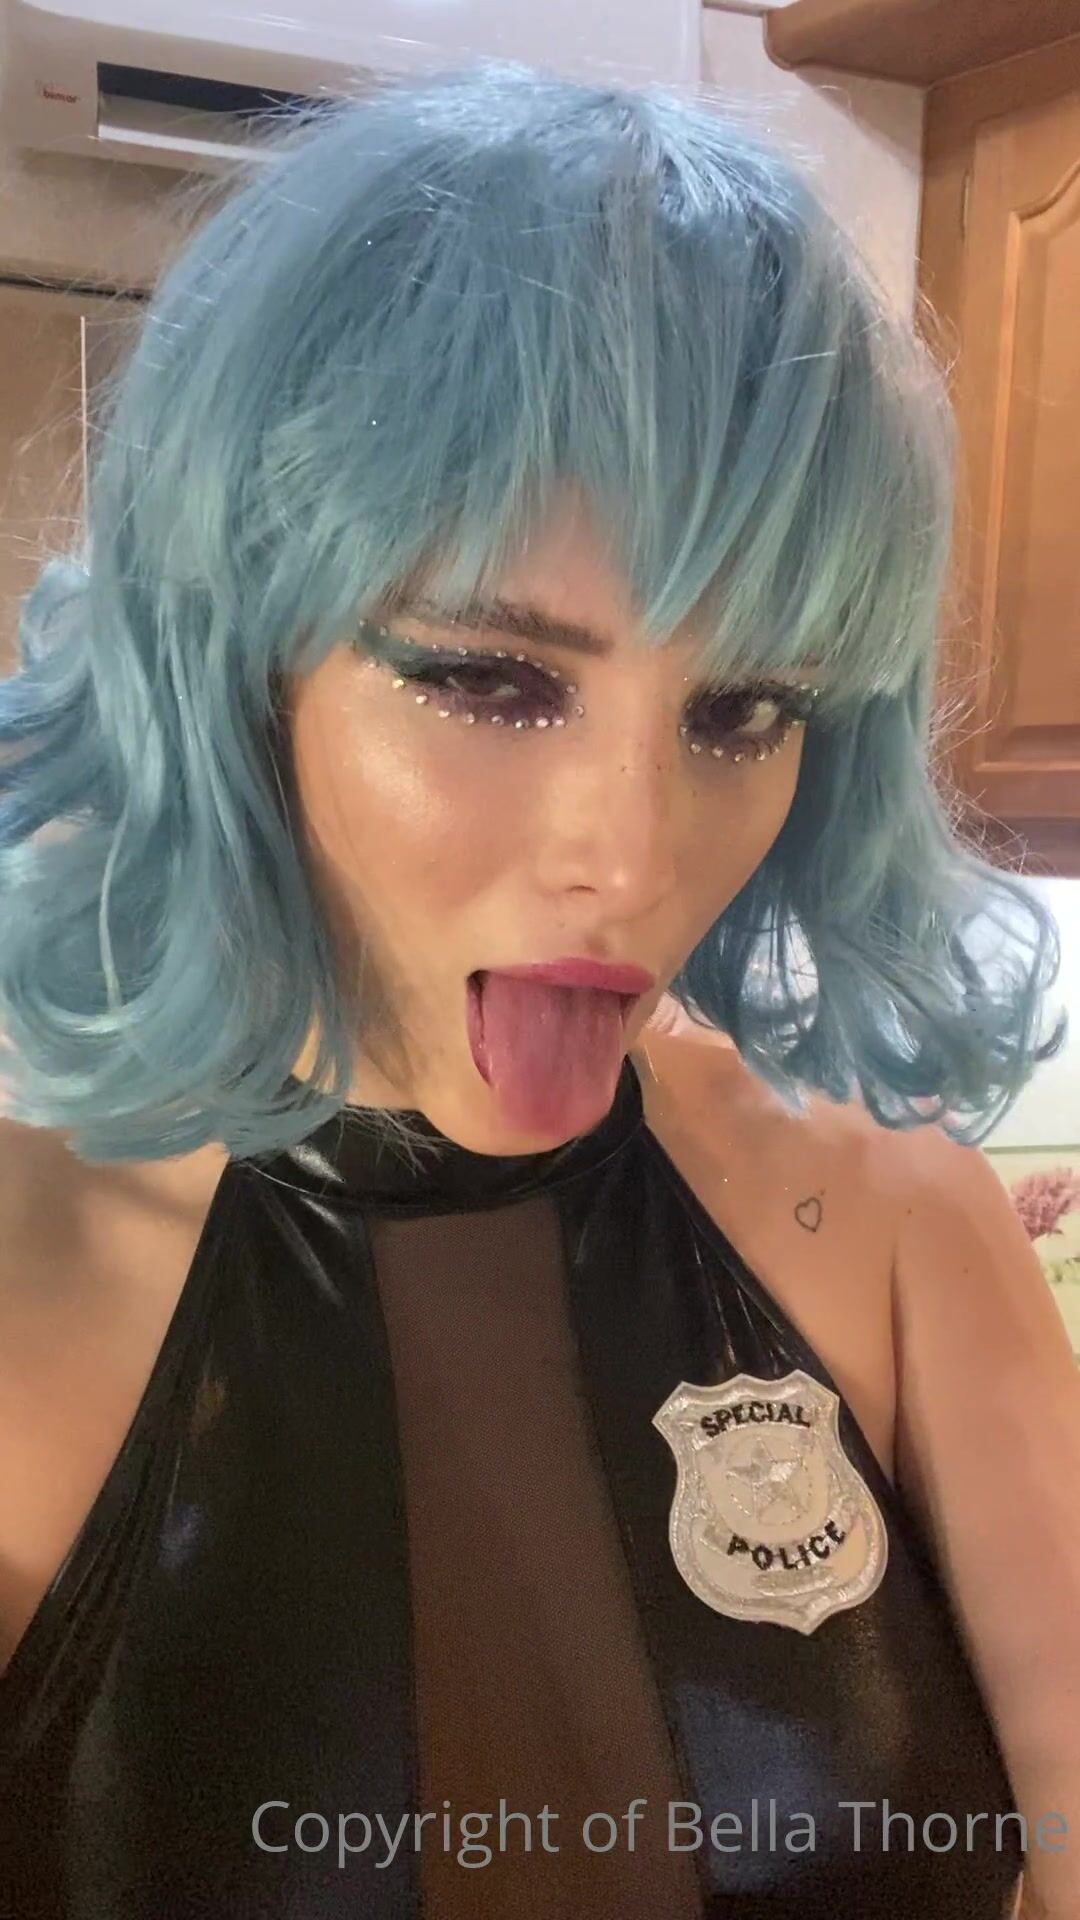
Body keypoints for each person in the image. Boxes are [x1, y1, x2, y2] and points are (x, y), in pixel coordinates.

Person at [0, 58, 1076, 1920]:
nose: (635, 855)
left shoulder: (901, 1230)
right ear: (235, 662)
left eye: (743, 708)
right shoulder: (25, 1290)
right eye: (487, 678)